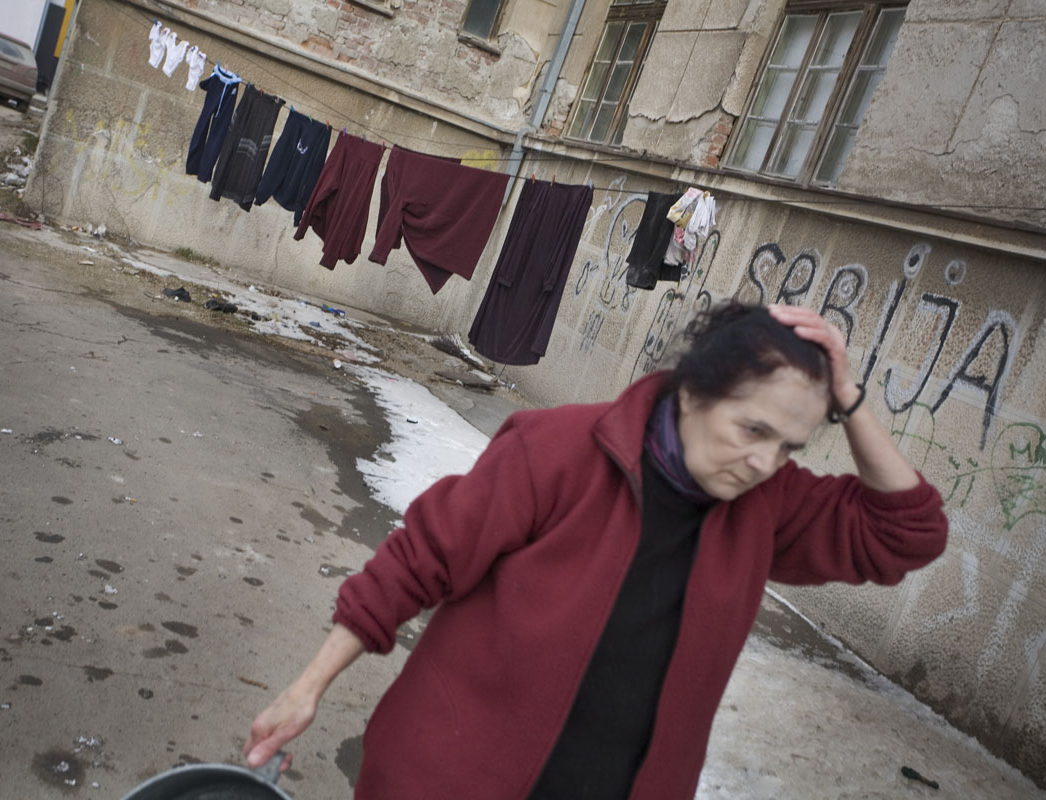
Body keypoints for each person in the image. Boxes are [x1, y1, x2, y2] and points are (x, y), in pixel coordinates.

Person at [242, 301, 948, 799]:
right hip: (451, 779)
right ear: (694, 391)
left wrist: (849, 399)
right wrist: (306, 689)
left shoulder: (768, 506)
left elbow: (907, 535)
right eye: (752, 430)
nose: (766, 462)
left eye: (789, 446)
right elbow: (418, 559)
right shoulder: (558, 451)